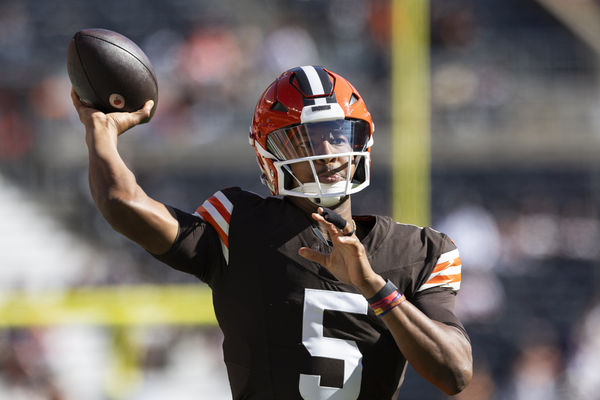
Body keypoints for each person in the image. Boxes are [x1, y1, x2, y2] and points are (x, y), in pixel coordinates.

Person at [71, 65, 472, 399]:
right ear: (270, 154)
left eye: (337, 133)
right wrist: (101, 133)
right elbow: (123, 203)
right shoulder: (239, 225)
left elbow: (455, 373)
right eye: (307, 139)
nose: (330, 151)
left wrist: (375, 288)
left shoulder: (421, 251)